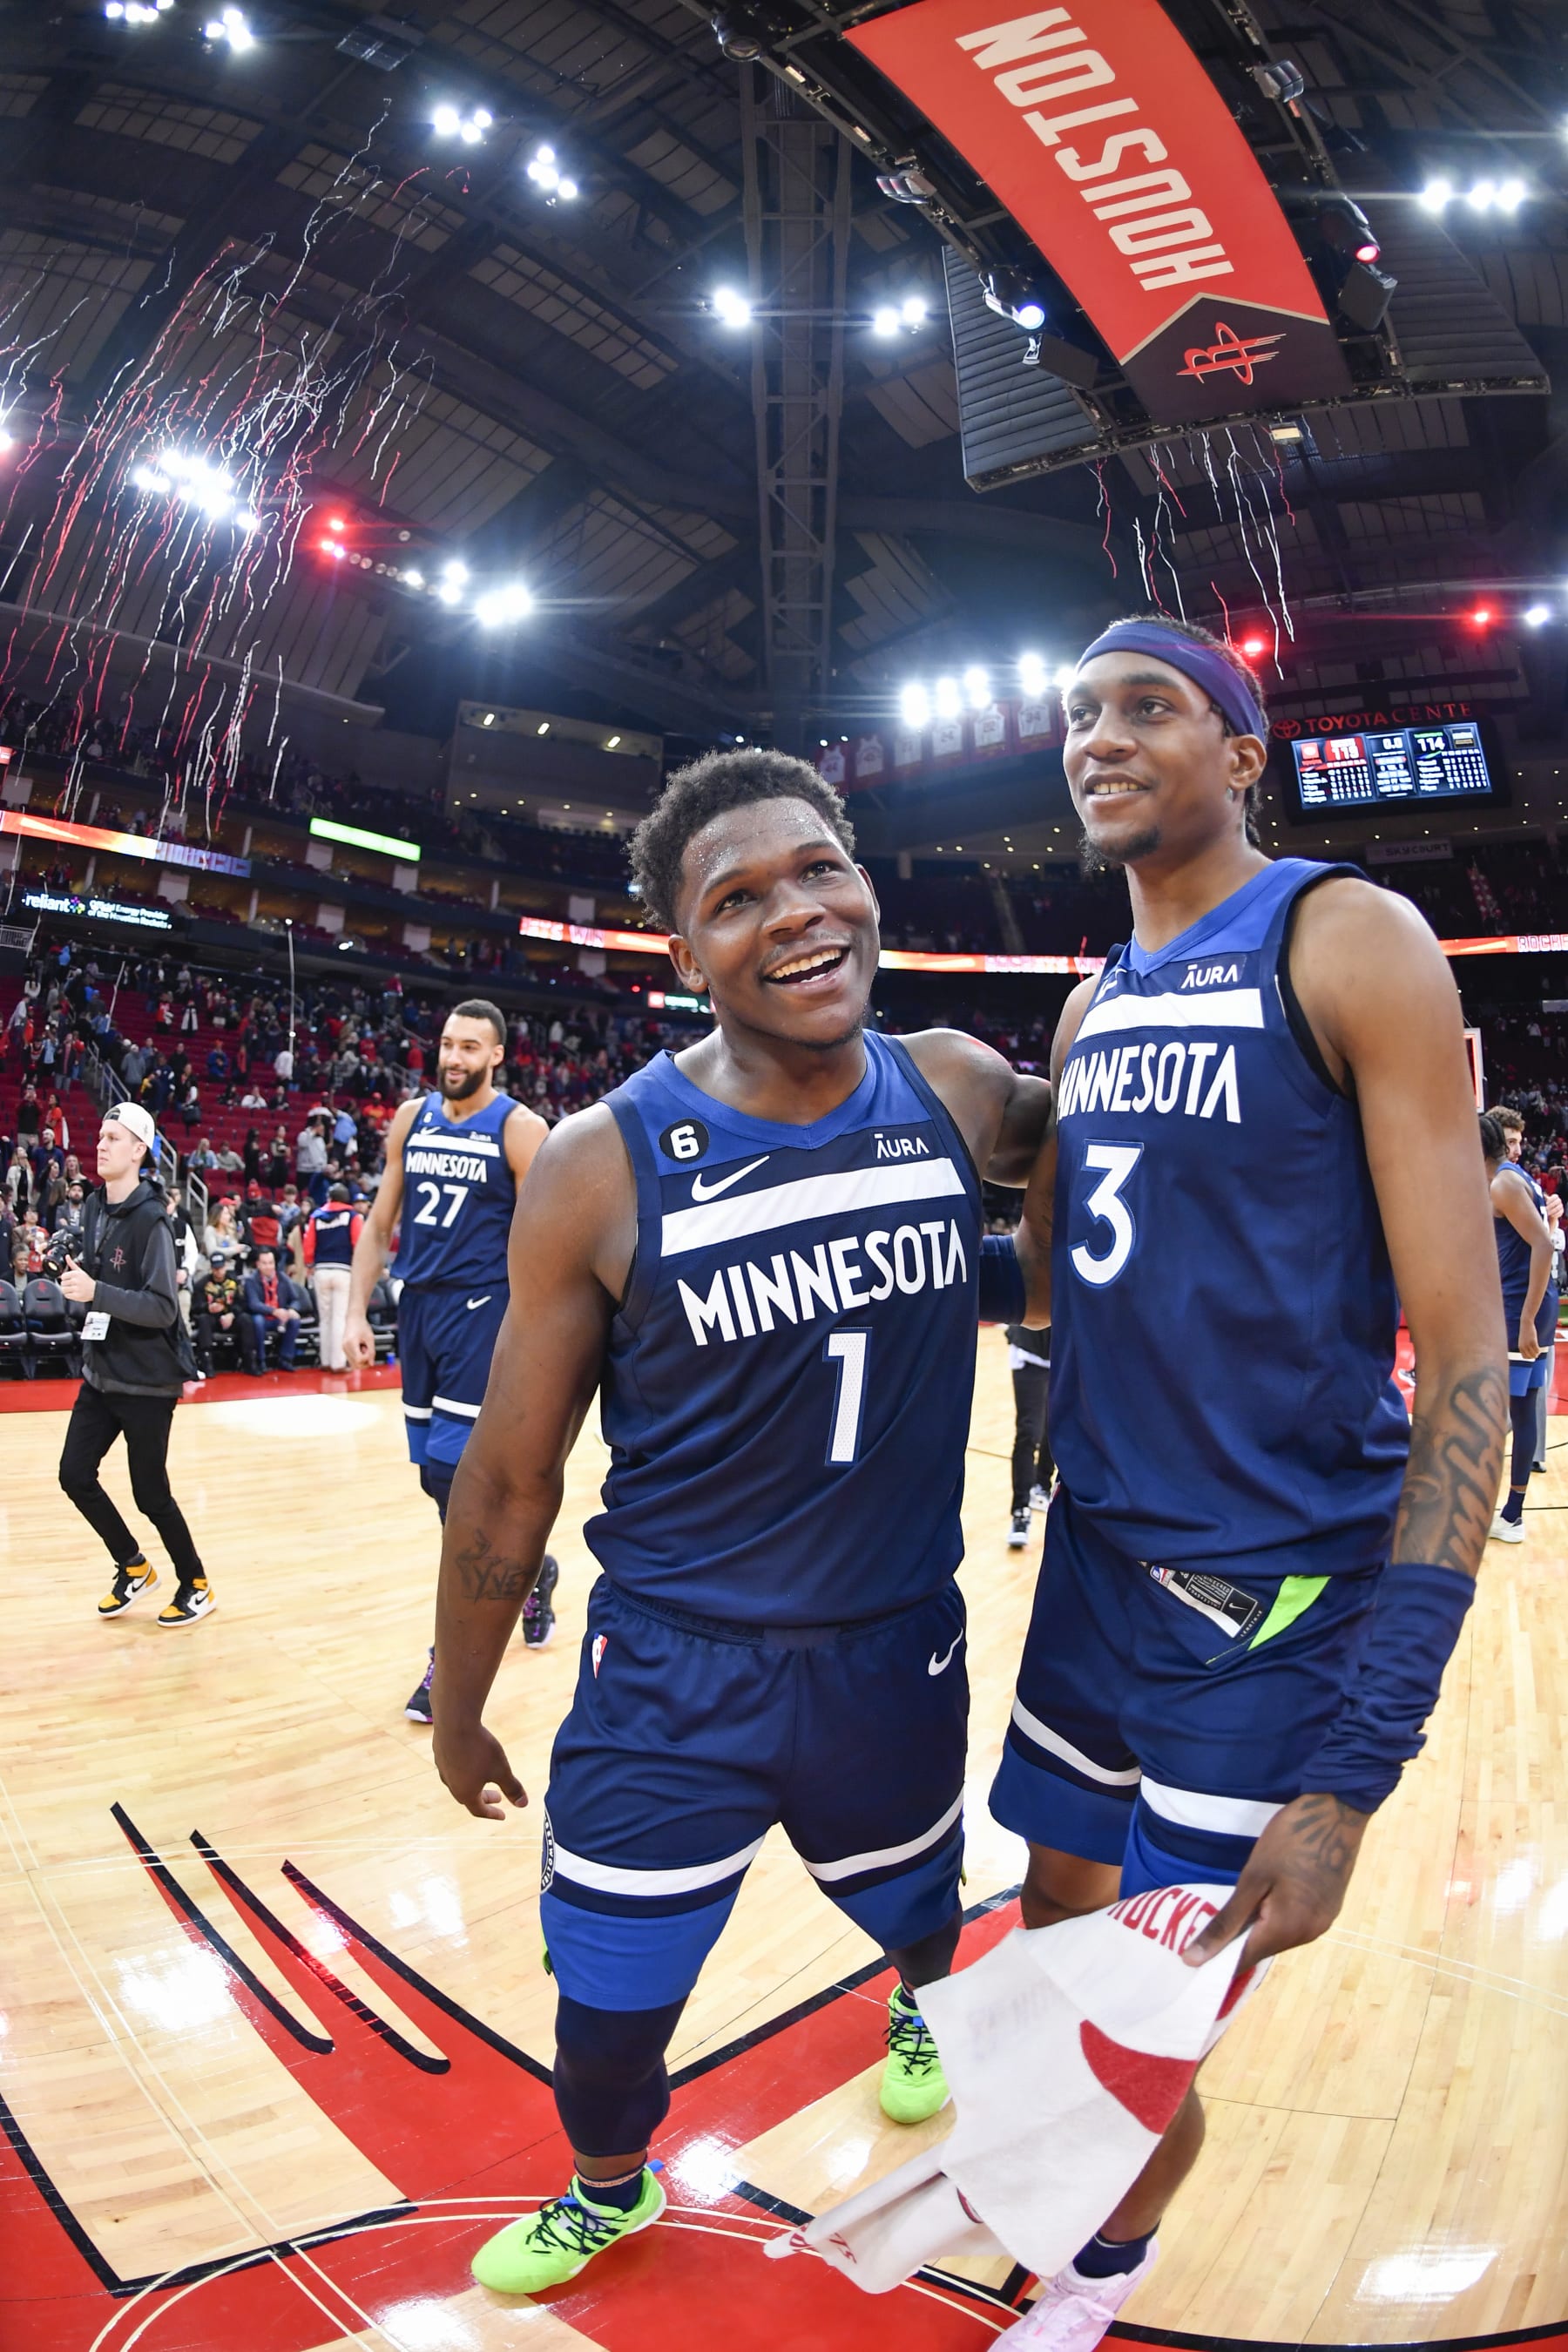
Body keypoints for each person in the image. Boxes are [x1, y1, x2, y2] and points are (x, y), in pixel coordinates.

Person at [425, 750, 1052, 2297]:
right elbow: (510, 1482)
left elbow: (1084, 1228)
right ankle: (609, 2183)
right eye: (737, 899)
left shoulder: (958, 1084)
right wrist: (459, 1701)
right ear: (685, 951)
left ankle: (915, 1999)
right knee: (609, 2006)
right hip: (671, 1675)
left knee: (923, 1920)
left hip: (897, 1651)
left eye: (820, 868)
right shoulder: (596, 1166)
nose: (797, 913)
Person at [987, 615, 1504, 2347]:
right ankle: (1065, 2198)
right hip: (1095, 1568)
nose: (1102, 736)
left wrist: (1353, 1780)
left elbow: (1471, 1379)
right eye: (1080, 712)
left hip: (1270, 1587)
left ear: (1242, 751)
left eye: (1151, 706)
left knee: (1149, 2011)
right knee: (1053, 1943)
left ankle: (1089, 2282)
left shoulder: (1350, 938)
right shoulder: (1089, 999)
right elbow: (1060, 1289)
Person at [342, 1000, 550, 1721]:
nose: (453, 1057)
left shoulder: (522, 1131)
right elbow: (378, 1223)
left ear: (497, 1056)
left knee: (451, 1477)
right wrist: (354, 1311)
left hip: (483, 1314)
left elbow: (548, 1244)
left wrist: (537, 1341)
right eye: (447, 1045)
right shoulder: (411, 1118)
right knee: (437, 1483)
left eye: (469, 1047)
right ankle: (527, 1574)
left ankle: (448, 1662)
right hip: (419, 1312)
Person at [57, 1104, 213, 1626]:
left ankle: (195, 1582)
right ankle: (133, 1566)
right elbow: (101, 1272)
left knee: (150, 1493)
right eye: (99, 1136)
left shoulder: (154, 1220)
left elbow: (163, 1308)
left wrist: (96, 1289)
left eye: (113, 1138)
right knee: (74, 1474)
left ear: (139, 1150)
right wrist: (73, 1269)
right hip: (101, 1370)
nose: (100, 1145)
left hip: (147, 1378)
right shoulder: (95, 1206)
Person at [1481, 1109, 1553, 1544]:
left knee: (1490, 1414)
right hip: (1530, 1305)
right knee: (1522, 1413)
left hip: (1518, 1311)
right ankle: (1510, 1515)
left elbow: (1543, 1245)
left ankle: (1479, 1511)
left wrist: (1525, 1319)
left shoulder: (1503, 1183)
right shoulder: (1513, 1178)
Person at [304, 1181, 362, 1372]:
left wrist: (309, 1264)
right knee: (340, 1318)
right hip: (343, 1270)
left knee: (325, 1319)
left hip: (321, 1270)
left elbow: (309, 1244)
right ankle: (338, 1363)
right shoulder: (352, 1216)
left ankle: (326, 1361)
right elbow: (358, 1243)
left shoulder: (316, 1216)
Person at [1005, 1320, 1052, 1547]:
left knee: (1056, 1426)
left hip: (1061, 1350)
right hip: (1029, 1348)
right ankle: (1020, 1511)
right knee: (1028, 1430)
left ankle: (1042, 1484)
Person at [240, 1247, 304, 1371]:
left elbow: (296, 1299)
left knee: (294, 1321)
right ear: (258, 1264)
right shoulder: (251, 1281)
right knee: (257, 1321)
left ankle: (285, 1358)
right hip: (262, 1316)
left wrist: (292, 1309)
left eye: (271, 1263)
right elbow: (254, 1304)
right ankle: (261, 1360)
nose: (268, 1267)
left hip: (280, 1317)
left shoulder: (283, 1278)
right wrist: (274, 1311)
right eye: (264, 1263)